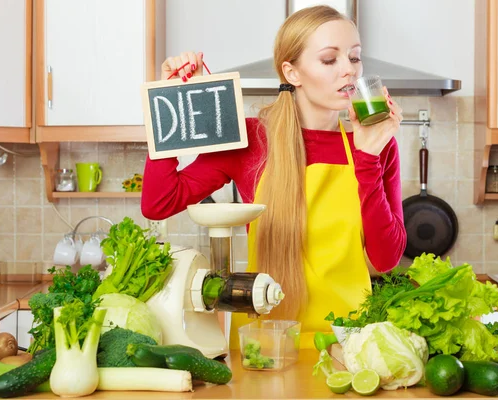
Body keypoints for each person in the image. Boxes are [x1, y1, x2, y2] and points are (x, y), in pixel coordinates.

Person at [141, 5, 406, 348]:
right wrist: (169, 105)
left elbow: (386, 260)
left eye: (354, 58)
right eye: (330, 60)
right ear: (292, 72)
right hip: (265, 346)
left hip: (349, 346)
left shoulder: (377, 145)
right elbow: (158, 203)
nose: (349, 71)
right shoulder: (253, 140)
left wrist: (367, 158)